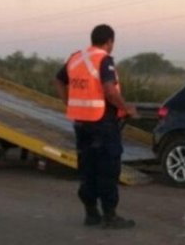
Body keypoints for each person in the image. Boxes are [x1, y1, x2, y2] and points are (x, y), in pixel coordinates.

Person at [54, 24, 138, 229]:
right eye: (112, 43)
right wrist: (126, 108)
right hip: (103, 123)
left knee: (87, 169)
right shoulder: (104, 59)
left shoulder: (75, 58)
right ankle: (110, 216)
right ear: (109, 41)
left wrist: (68, 102)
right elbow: (109, 90)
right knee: (108, 169)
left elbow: (58, 80)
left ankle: (91, 214)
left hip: (81, 123)